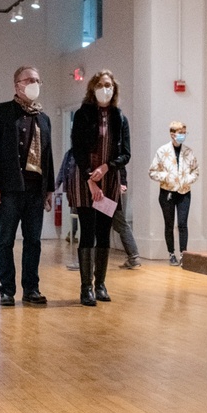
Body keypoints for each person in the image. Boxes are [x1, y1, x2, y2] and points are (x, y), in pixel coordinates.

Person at [0, 66, 54, 306]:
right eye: (29, 79)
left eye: (37, 79)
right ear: (17, 85)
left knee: (33, 241)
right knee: (6, 240)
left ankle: (31, 288)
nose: (34, 83)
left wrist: (50, 189)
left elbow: (48, 155)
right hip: (9, 189)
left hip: (36, 189)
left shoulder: (44, 118)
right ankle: (7, 290)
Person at [70, 70, 131, 306]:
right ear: (93, 87)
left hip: (109, 179)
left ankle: (101, 284)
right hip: (86, 180)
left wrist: (107, 168)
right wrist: (90, 177)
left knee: (104, 232)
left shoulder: (120, 117)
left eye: (109, 85)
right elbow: (77, 149)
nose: (105, 88)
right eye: (101, 84)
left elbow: (125, 153)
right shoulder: (82, 114)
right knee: (88, 231)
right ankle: (86, 288)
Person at [149, 120, 200, 265]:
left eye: (184, 133)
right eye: (180, 133)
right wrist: (166, 177)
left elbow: (196, 171)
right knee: (169, 224)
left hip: (184, 191)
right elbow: (152, 172)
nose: (183, 136)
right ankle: (171, 253)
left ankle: (184, 254)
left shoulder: (189, 152)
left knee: (183, 223)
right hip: (167, 192)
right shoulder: (162, 151)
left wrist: (187, 179)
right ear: (172, 134)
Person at [112, 168, 141, 268]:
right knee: (120, 224)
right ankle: (133, 257)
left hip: (113, 190)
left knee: (120, 223)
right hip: (116, 188)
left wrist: (121, 183)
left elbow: (120, 165)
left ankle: (134, 257)